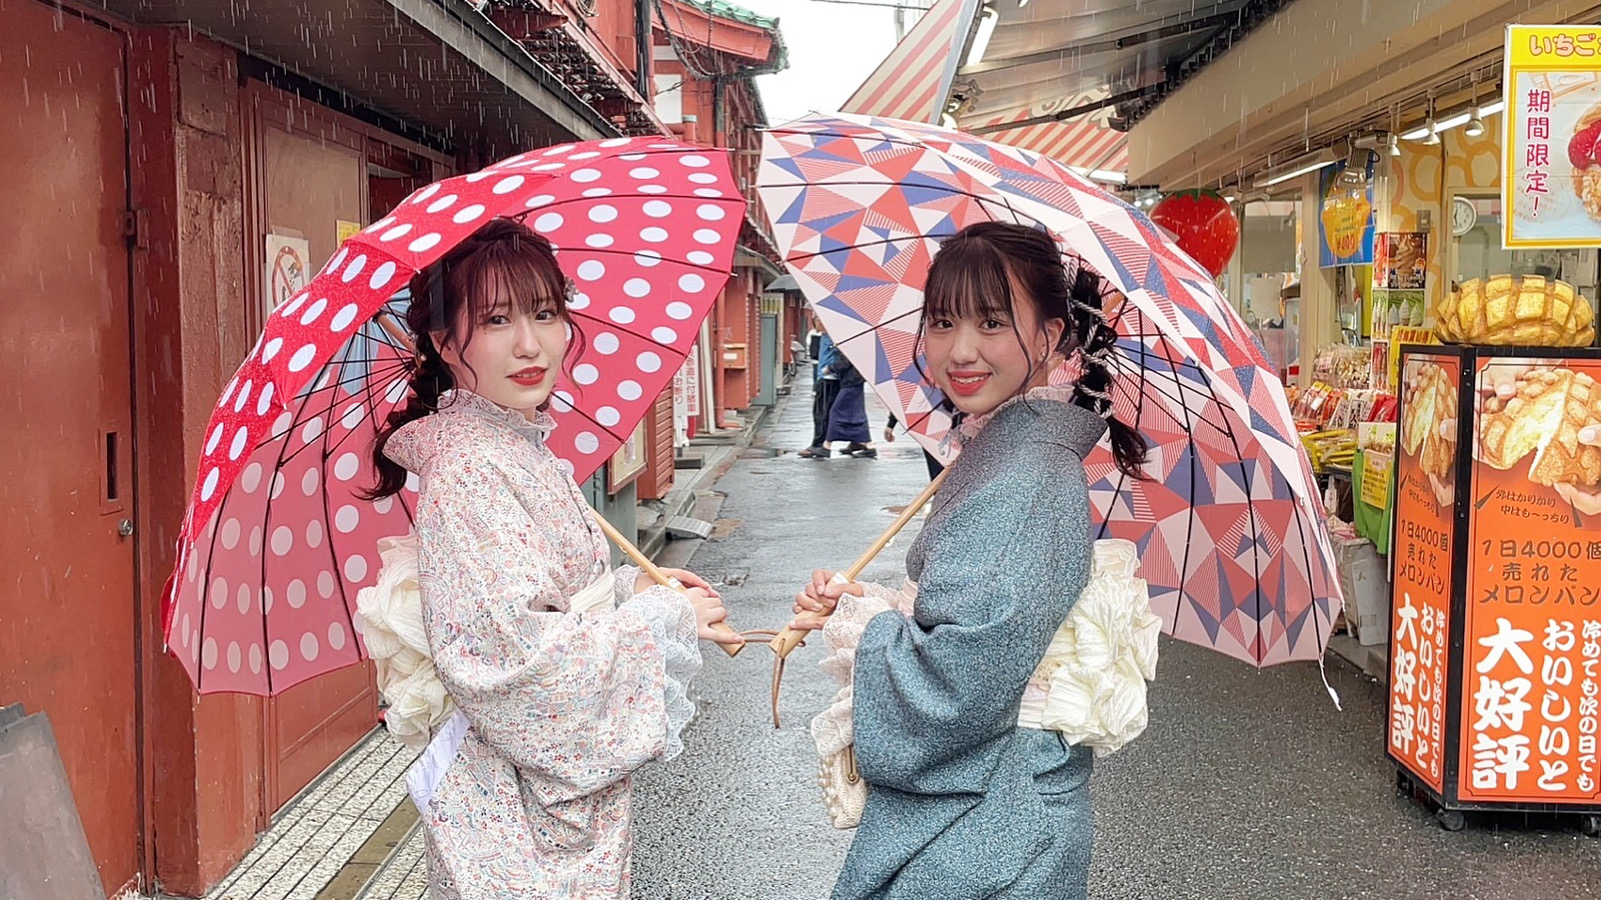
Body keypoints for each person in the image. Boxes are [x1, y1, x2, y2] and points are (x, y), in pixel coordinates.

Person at [362, 218, 742, 898]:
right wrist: (661, 617)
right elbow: (524, 668)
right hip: (516, 816)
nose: (531, 343)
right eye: (498, 320)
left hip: (533, 806)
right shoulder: (473, 470)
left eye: (545, 312)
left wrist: (628, 589)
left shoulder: (512, 443)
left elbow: (548, 592)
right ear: (446, 343)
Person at [786, 221, 1149, 900]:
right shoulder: (1003, 453)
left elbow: (957, 688)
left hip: (990, 824)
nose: (959, 350)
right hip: (998, 814)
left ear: (1049, 335)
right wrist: (862, 605)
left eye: (990, 322)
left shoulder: (1026, 475)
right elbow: (975, 626)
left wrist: (866, 631)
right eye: (942, 321)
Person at [824, 351, 878, 458]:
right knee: (855, 412)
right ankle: (866, 444)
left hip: (851, 380)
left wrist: (830, 368)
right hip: (855, 379)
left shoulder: (848, 345)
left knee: (836, 411)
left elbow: (845, 362)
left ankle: (827, 444)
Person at [800, 322, 842, 458]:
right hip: (822, 378)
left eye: (817, 320)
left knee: (821, 413)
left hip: (829, 379)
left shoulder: (833, 337)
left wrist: (829, 369)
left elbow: (841, 354)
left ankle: (819, 444)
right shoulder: (823, 336)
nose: (815, 323)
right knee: (820, 411)